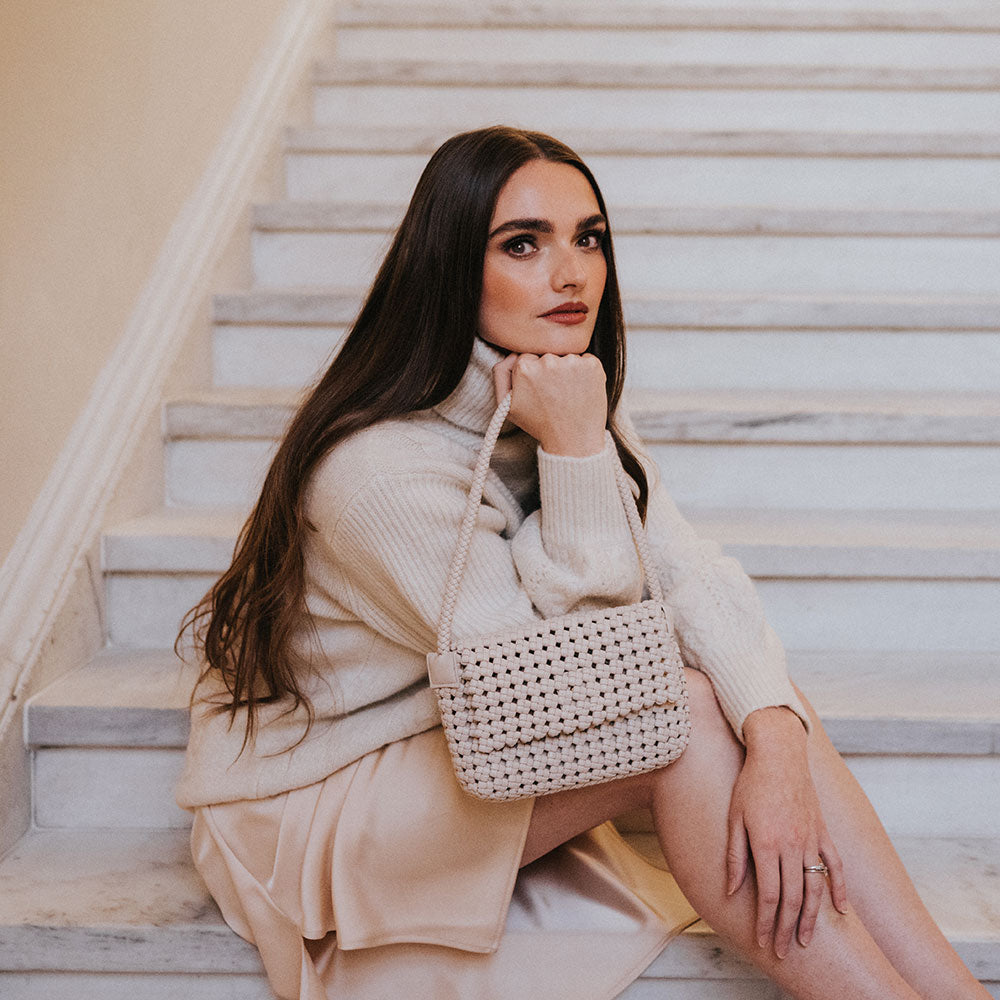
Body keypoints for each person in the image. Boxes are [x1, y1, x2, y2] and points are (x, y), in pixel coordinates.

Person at [175, 126, 988, 1000]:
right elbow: (564, 686)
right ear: (452, 265)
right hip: (321, 804)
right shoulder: (379, 471)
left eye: (588, 237)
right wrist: (572, 450)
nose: (572, 273)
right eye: (523, 243)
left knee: (756, 698)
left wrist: (778, 737)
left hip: (459, 731)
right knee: (685, 713)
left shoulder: (560, 391)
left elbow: (690, 574)